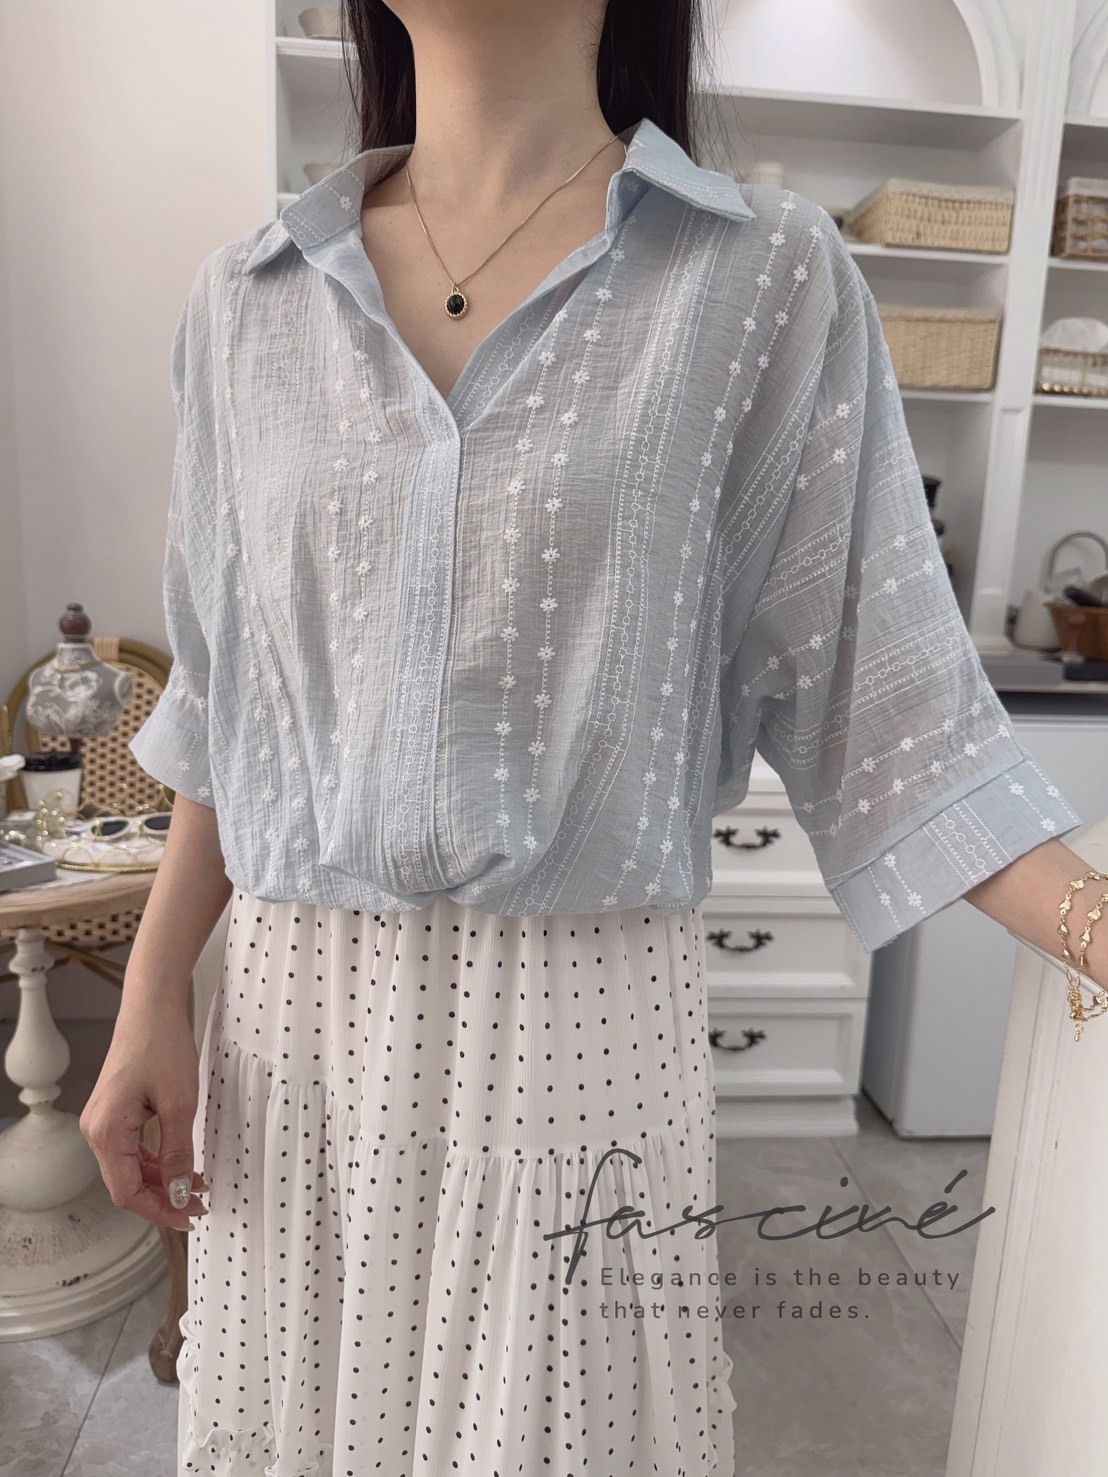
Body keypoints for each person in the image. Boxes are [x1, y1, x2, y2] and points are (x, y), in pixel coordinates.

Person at [79, 1, 1101, 1473]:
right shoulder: (247, 299)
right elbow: (231, 709)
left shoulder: (760, 278)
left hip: (579, 1037)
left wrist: (1093, 922)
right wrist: (151, 997)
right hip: (292, 1032)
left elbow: (895, 710)